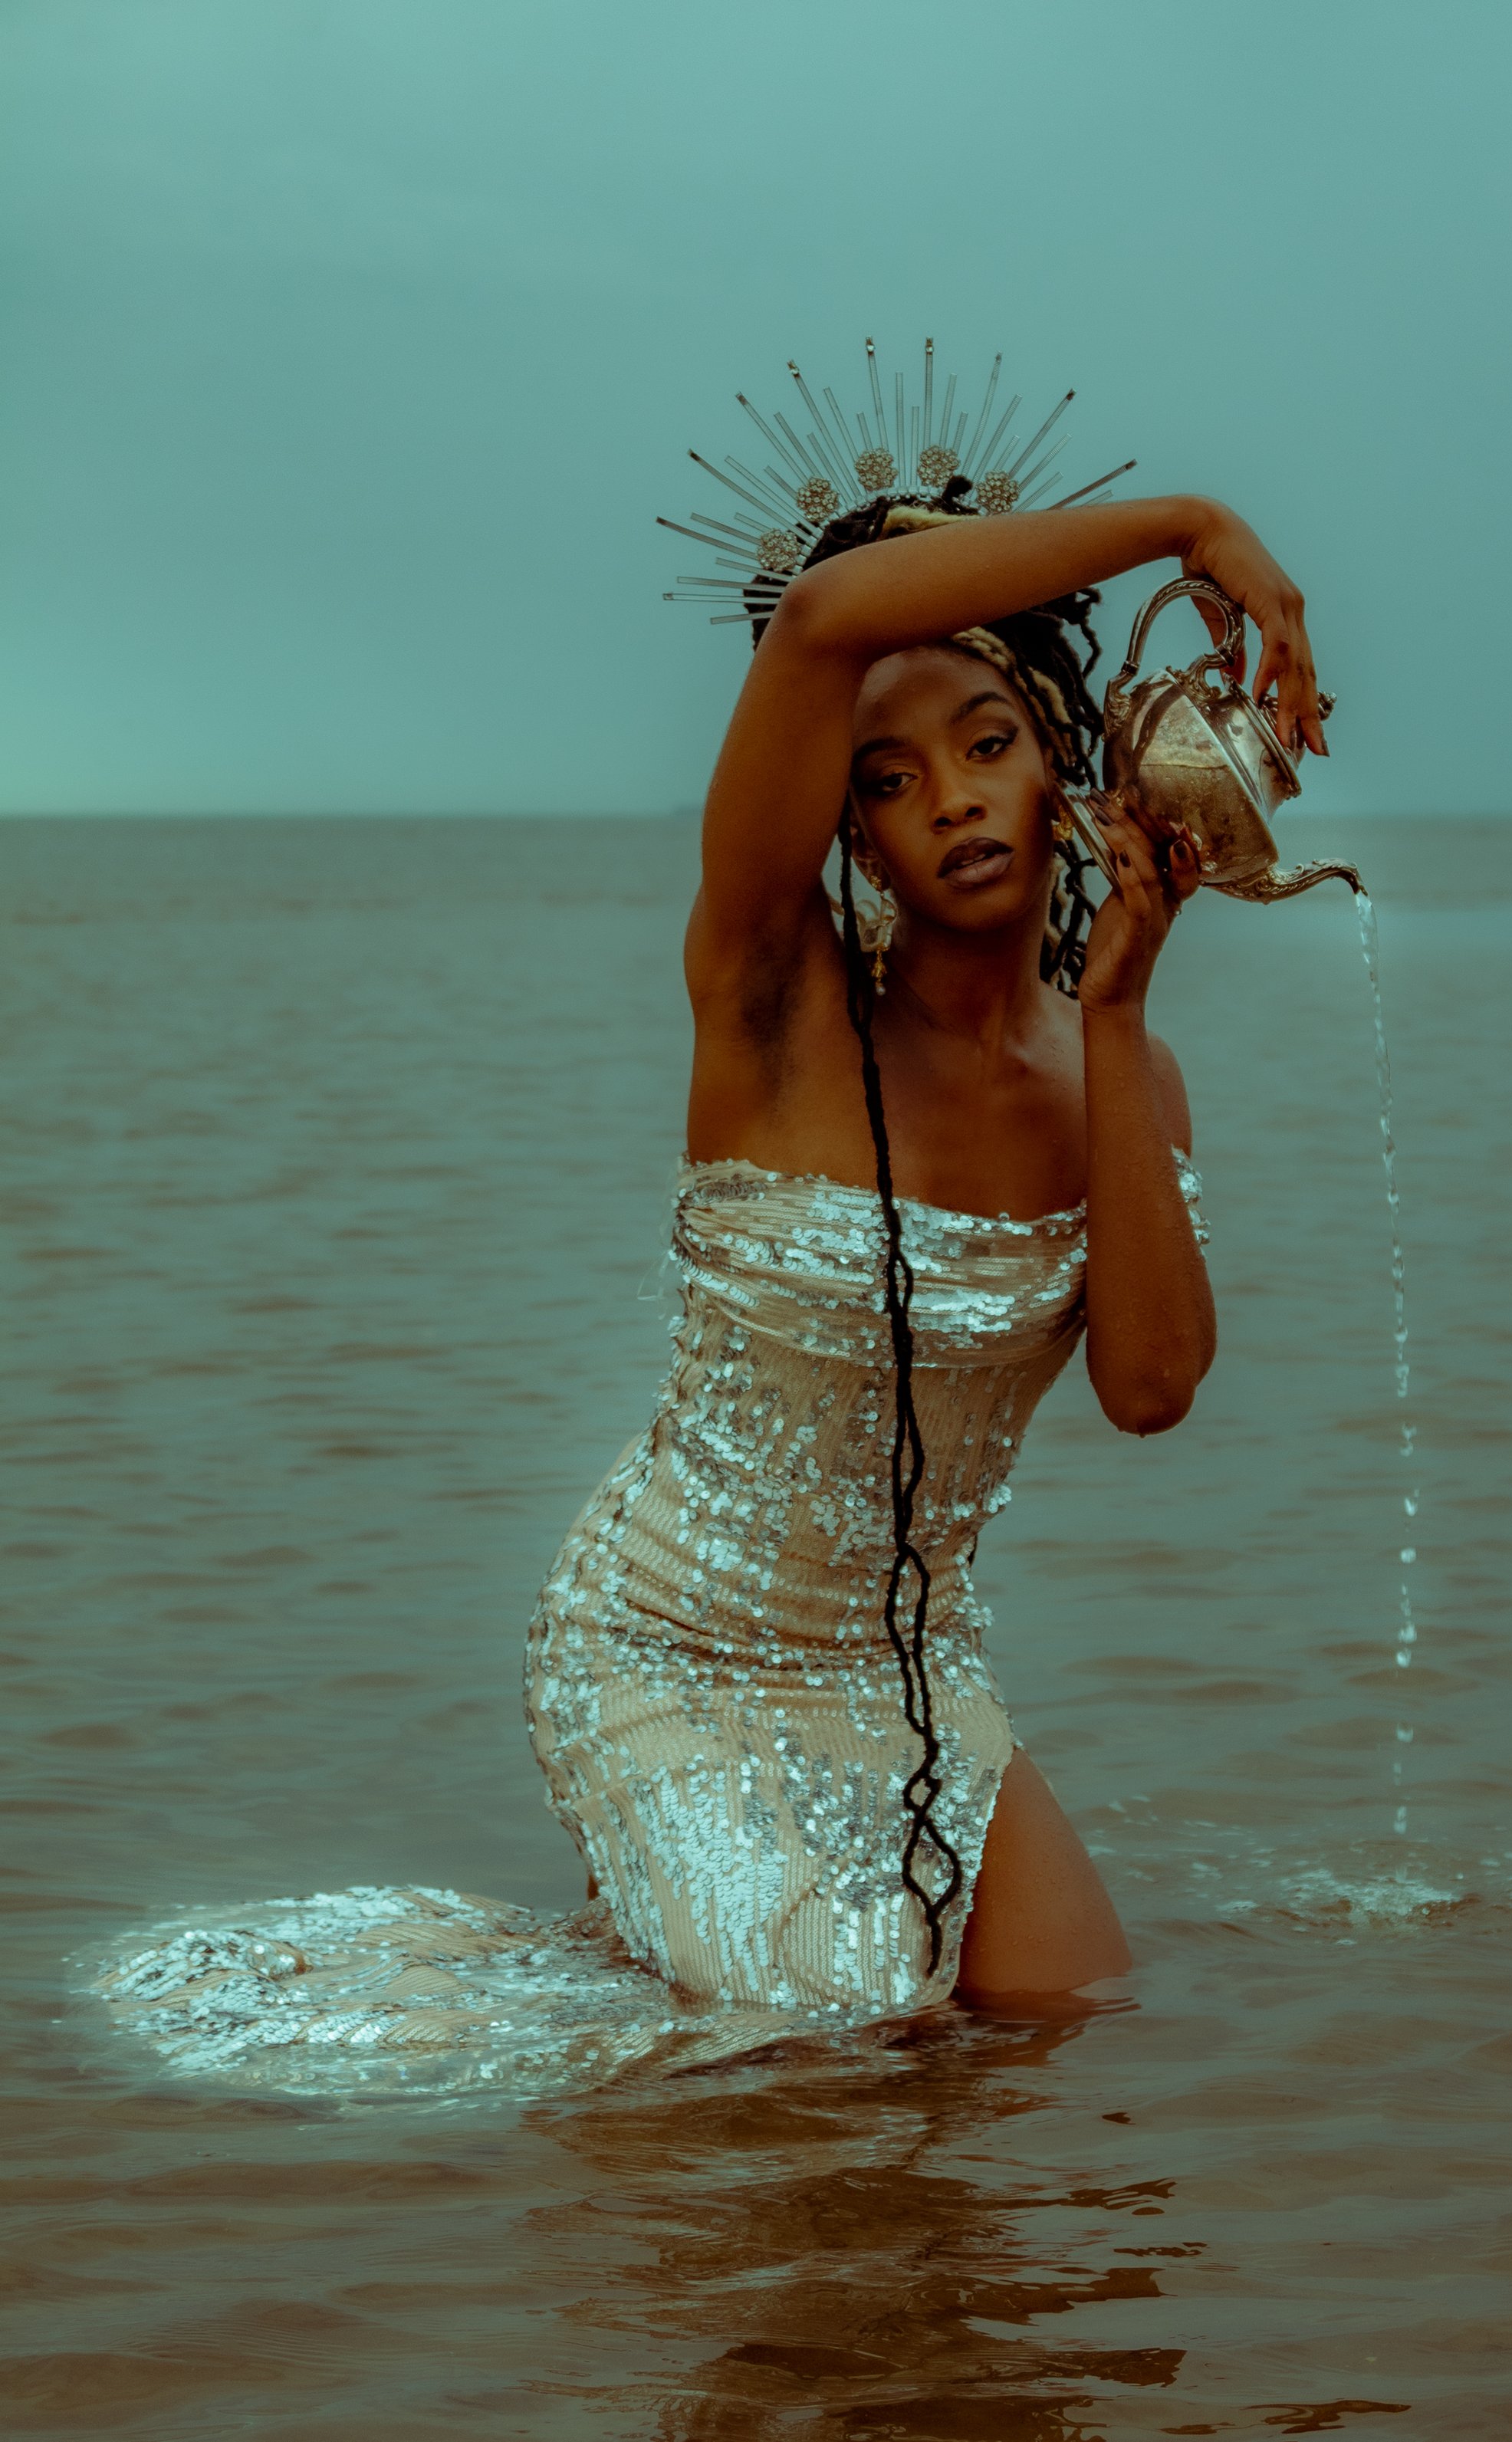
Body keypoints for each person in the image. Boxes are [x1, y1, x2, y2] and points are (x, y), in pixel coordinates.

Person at [88, 476, 1325, 2095]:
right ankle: (674, 1959)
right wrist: (1180, 523)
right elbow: (820, 623)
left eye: (985, 742)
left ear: (1065, 768)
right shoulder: (772, 996)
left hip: (914, 1667)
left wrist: (1108, 1015)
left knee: (1065, 2027)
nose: (948, 798)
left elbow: (1151, 1392)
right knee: (831, 2052)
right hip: (670, 1638)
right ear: (853, 836)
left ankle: (676, 1955)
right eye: (887, 779)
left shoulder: (1130, 1076)